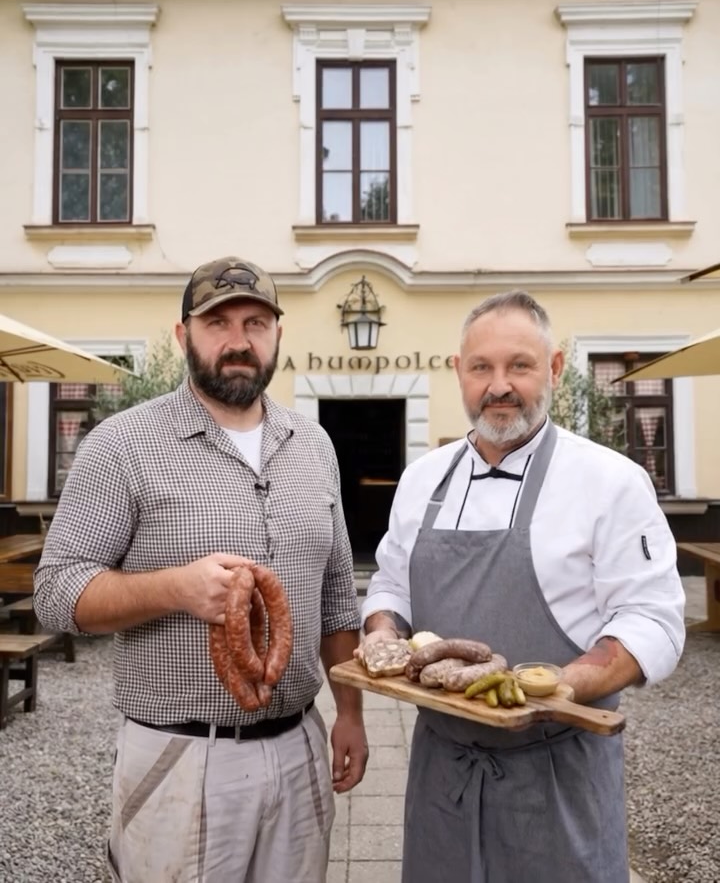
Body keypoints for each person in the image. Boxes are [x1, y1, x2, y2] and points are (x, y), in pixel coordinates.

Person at [35, 256, 368, 883]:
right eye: (217, 322)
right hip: (180, 756)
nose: (239, 341)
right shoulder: (122, 444)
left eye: (256, 322)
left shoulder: (314, 444)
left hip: (300, 748)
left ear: (277, 335)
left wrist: (348, 713)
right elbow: (55, 595)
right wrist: (175, 589)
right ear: (183, 334)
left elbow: (335, 599)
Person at [359, 290, 685, 883]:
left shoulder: (610, 481)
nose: (499, 385)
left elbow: (651, 619)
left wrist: (562, 683)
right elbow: (391, 583)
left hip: (556, 774)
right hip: (444, 776)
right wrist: (382, 631)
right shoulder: (421, 480)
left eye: (520, 365)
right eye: (482, 366)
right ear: (458, 373)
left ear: (555, 368)